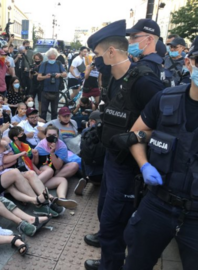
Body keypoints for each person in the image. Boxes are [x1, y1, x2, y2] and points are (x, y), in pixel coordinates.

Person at [83, 19, 164, 270]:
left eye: (96, 55)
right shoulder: (114, 79)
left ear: (110, 52)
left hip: (130, 166)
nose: (93, 61)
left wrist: (136, 139)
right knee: (106, 217)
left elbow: (164, 128)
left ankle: (112, 265)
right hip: (112, 159)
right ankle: (109, 259)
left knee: (115, 222)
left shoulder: (144, 82)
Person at [123, 36, 198, 270]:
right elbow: (136, 134)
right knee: (135, 263)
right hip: (158, 203)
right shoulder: (166, 98)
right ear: (189, 63)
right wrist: (144, 163)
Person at [0, 129, 58, 216]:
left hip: (4, 170)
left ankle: (48, 200)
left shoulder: (4, 144)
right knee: (15, 174)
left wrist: (2, 166)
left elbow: (13, 160)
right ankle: (40, 203)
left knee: (31, 173)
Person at [8, 126, 75, 214]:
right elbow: (33, 163)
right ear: (45, 135)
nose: (51, 137)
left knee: (63, 180)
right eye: (49, 135)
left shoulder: (61, 146)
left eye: (54, 135)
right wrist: (36, 161)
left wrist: (52, 152)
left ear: (58, 136)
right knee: (49, 170)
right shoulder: (40, 146)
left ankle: (61, 199)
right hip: (40, 172)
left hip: (45, 177)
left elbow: (58, 167)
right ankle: (45, 196)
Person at [37, 48, 67, 121]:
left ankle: (54, 125)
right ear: (48, 57)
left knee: (54, 112)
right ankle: (43, 125)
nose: (52, 60)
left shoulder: (58, 63)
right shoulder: (44, 64)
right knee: (43, 111)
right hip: (45, 91)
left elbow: (65, 74)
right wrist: (45, 76)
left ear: (56, 57)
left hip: (55, 91)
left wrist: (59, 75)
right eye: (50, 58)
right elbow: (38, 77)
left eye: (53, 58)